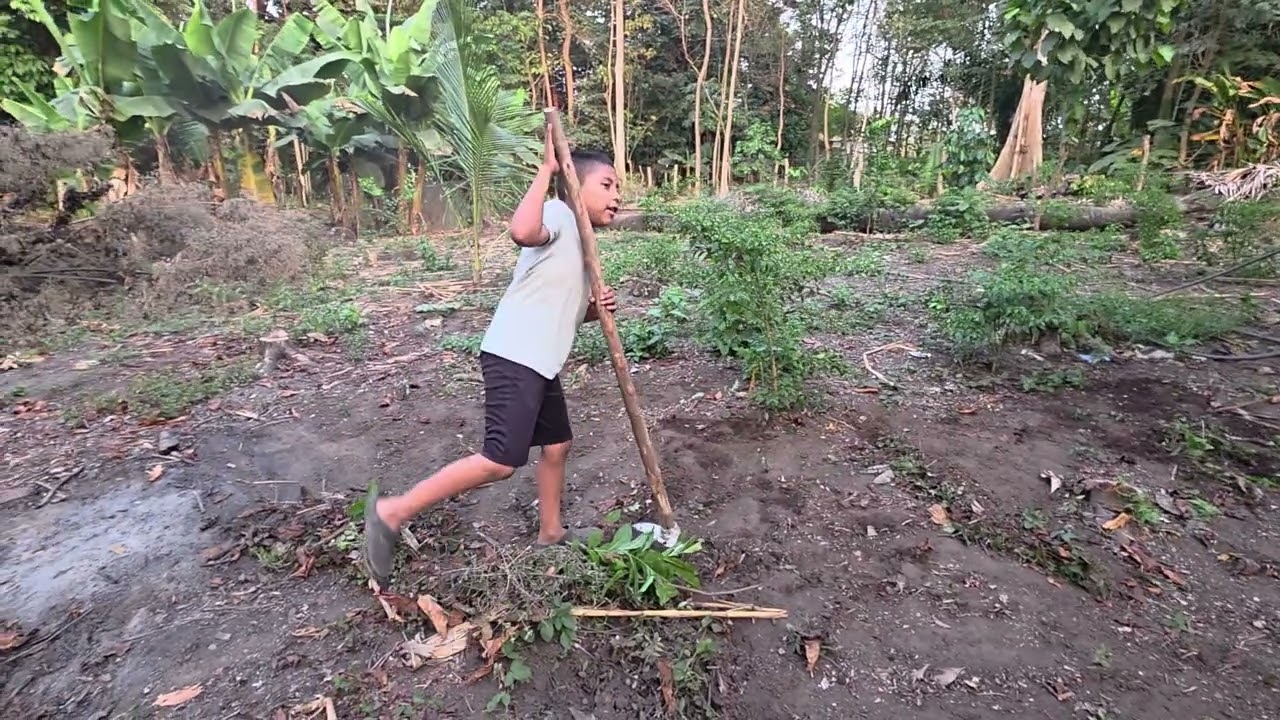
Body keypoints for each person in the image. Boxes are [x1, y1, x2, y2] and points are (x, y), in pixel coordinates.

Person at [363, 132, 623, 586]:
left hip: (540, 362)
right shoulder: (559, 214)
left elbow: (562, 310)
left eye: (618, 188)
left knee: (557, 445)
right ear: (574, 186)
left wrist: (594, 309)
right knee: (502, 461)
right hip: (516, 355)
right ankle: (391, 511)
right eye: (607, 184)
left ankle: (551, 532)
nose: (617, 195)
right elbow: (522, 232)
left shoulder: (583, 244)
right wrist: (546, 171)